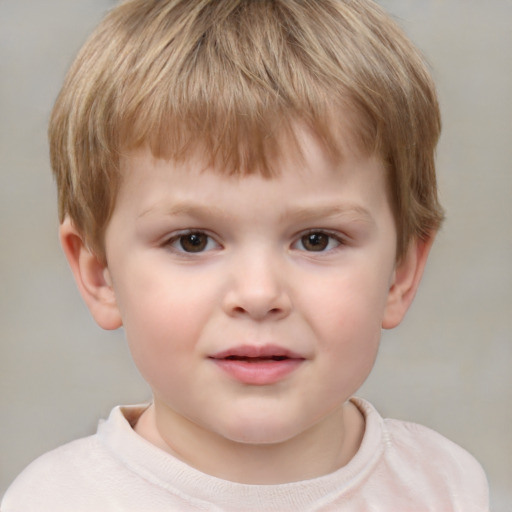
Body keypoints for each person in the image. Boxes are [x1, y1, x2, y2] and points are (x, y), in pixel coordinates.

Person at [2, 0, 489, 510]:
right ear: (99, 273)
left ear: (401, 273)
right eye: (193, 240)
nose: (258, 295)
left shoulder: (448, 488)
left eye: (316, 239)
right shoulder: (53, 501)